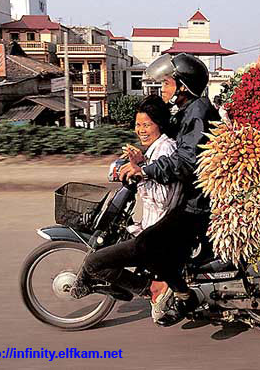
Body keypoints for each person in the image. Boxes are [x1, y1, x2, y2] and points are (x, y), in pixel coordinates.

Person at [118, 53, 220, 326]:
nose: (162, 89)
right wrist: (141, 159)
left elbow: (186, 160)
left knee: (148, 245)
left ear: (183, 86)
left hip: (197, 203)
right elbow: (166, 145)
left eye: (167, 83)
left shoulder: (198, 111)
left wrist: (146, 170)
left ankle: (184, 297)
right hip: (189, 196)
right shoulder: (187, 112)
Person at [70, 96, 183, 314]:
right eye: (138, 125)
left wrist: (140, 172)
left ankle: (153, 288)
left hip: (158, 234)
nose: (141, 130)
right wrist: (139, 164)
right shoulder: (154, 149)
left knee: (95, 263)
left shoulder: (165, 149)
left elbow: (162, 198)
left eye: (147, 125)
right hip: (153, 227)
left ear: (159, 124)